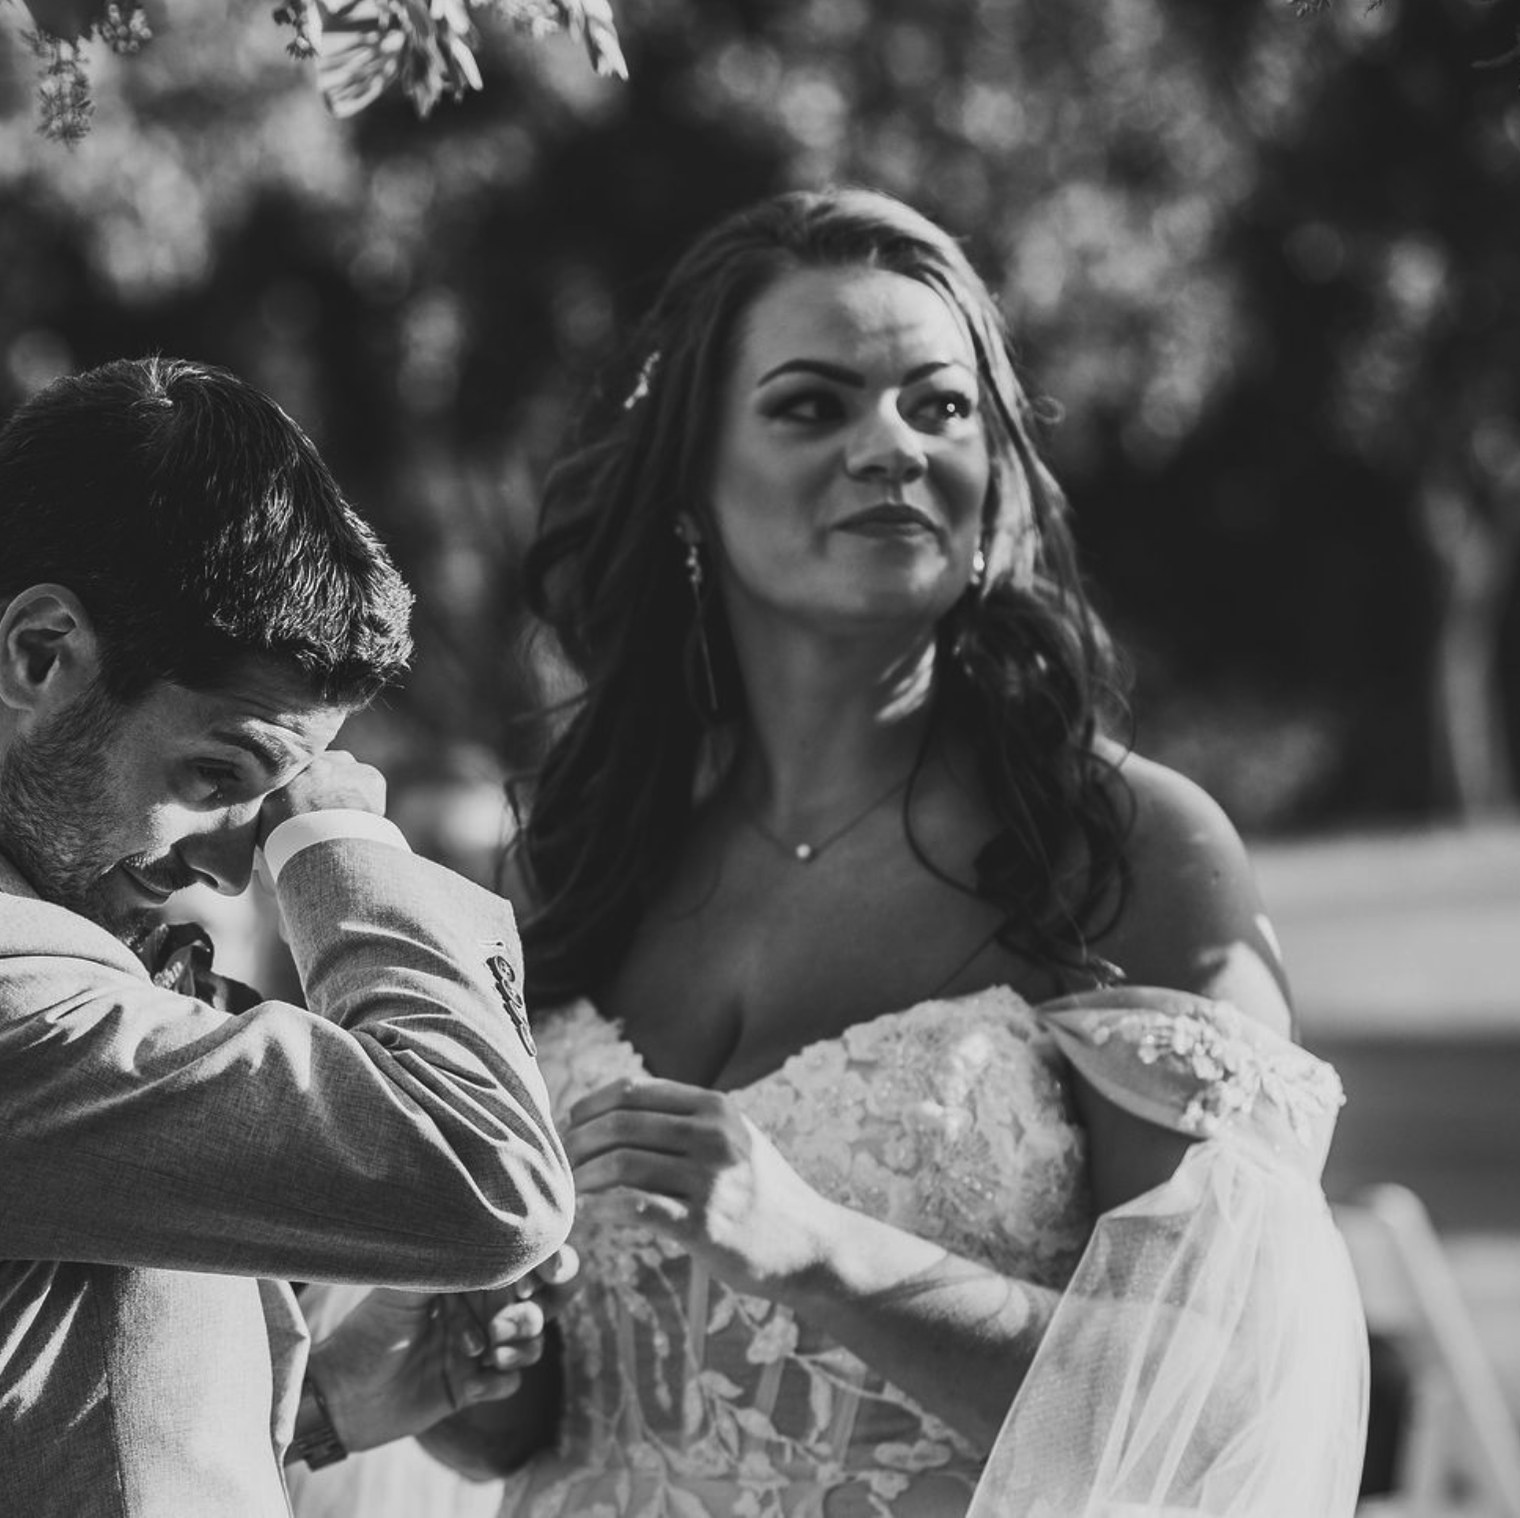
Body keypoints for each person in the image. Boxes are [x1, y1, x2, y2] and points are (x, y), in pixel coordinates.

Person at [410, 188, 1367, 1516]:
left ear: (992, 477)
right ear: (690, 484)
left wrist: (823, 1253)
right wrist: (470, 1356)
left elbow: (1216, 1408)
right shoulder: (579, 863)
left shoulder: (1124, 851)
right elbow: (515, 1433)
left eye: (940, 406)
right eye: (812, 406)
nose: (890, 447)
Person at [0, 357, 578, 1518]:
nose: (229, 867)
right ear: (40, 651)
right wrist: (339, 840)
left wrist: (328, 1403)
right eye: (218, 776)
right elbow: (487, 1173)